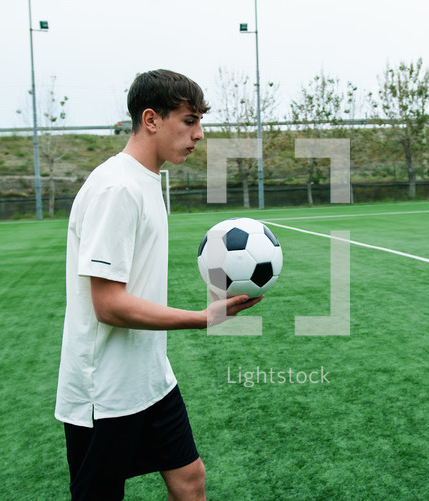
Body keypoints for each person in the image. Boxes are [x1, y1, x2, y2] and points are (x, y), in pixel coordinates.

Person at [55, 69, 261, 501]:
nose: (199, 134)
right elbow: (108, 305)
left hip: (150, 378)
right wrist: (200, 319)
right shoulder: (117, 188)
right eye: (190, 121)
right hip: (105, 391)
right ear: (151, 119)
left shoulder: (148, 180)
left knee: (190, 481)